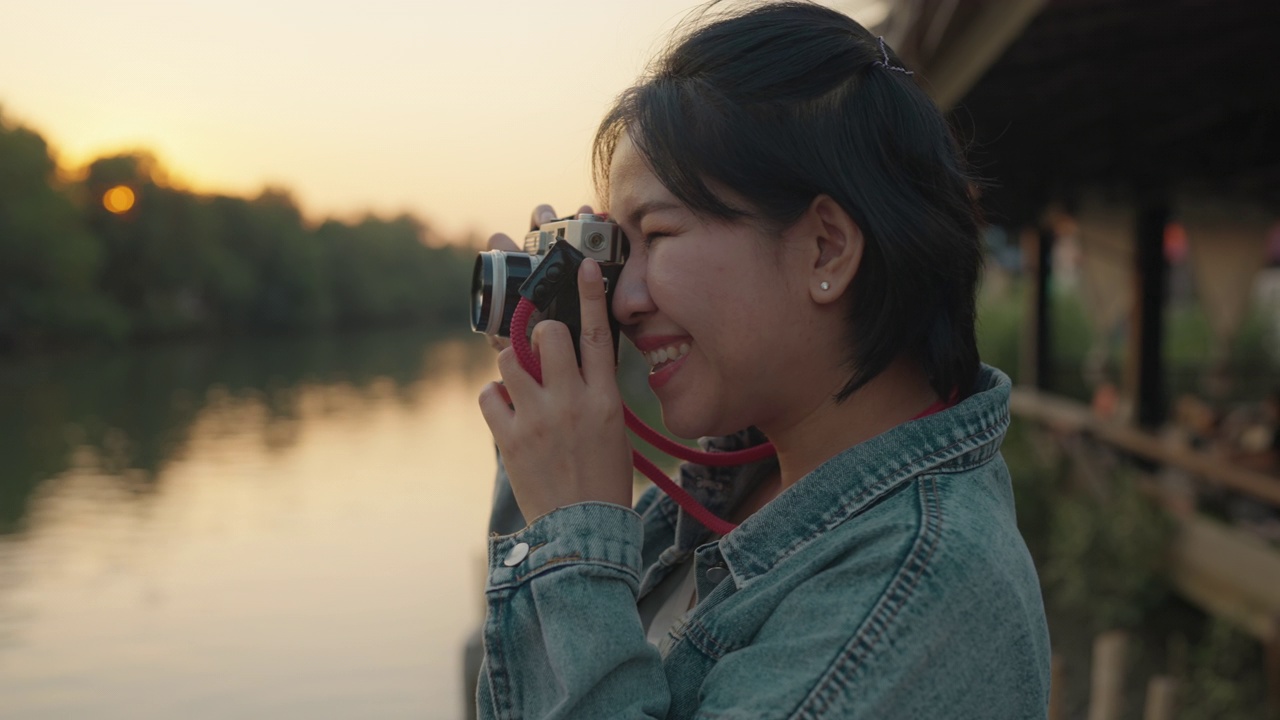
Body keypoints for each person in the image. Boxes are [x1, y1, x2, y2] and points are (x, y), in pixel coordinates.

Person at [474, 2, 1051, 717]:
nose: (622, 298)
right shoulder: (738, 492)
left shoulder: (914, 580)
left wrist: (574, 535)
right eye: (617, 248)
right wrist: (539, 410)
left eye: (657, 233)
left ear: (825, 249)